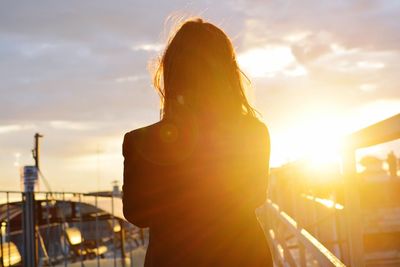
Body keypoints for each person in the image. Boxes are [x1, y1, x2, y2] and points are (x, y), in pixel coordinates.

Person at [122, 18, 273, 267]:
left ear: (171, 72)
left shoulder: (140, 141)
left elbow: (137, 213)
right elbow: (254, 196)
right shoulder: (253, 132)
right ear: (226, 71)